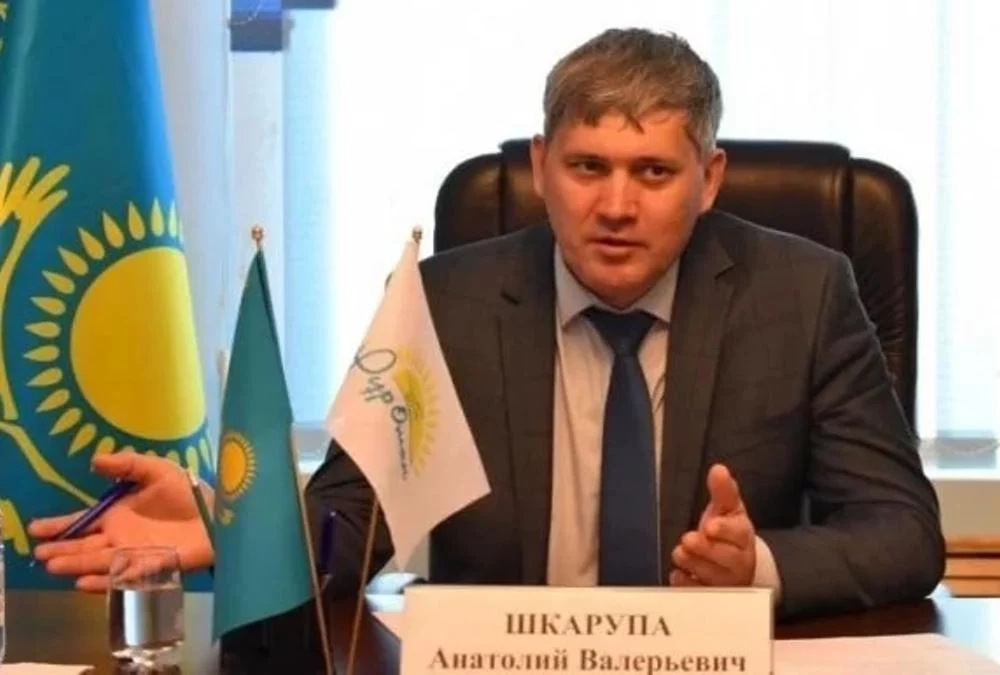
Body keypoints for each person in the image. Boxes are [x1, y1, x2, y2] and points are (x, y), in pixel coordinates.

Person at [31, 27, 944, 620]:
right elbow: (350, 524)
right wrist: (228, 527)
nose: (615, 205)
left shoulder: (804, 295)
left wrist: (756, 567)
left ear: (709, 180)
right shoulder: (446, 302)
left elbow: (905, 533)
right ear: (541, 169)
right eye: (587, 167)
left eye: (654, 173)